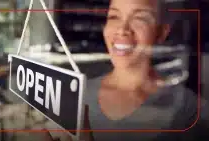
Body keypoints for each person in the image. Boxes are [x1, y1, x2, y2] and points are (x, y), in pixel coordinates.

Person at [42, 0, 209, 141]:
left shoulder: (192, 112)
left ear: (160, 33)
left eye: (140, 18)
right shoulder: (71, 96)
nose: (122, 29)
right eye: (114, 16)